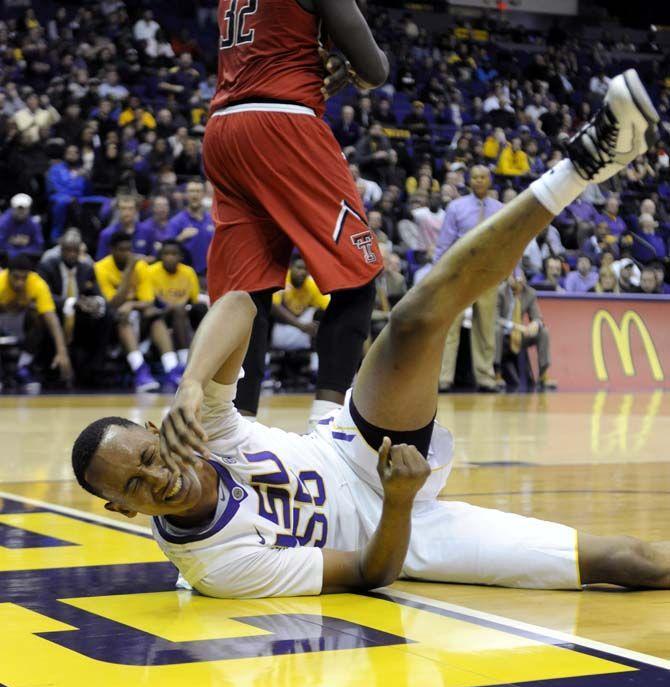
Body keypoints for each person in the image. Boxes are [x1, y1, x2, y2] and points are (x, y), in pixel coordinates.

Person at [72, 72, 670, 598]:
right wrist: (402, 501)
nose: (157, 478)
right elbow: (368, 571)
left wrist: (191, 383)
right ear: (122, 509)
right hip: (398, 533)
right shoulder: (215, 564)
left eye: (148, 458)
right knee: (628, 561)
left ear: (157, 434)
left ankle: (582, 163)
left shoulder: (199, 433)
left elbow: (239, 306)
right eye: (135, 487)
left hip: (352, 450)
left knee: (414, 319)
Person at [203, 0, 389, 431]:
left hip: (225, 129)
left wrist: (331, 64)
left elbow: (281, 43)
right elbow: (375, 70)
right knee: (359, 275)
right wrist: (363, 64)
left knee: (246, 292)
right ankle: (328, 429)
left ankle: (231, 427)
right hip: (283, 124)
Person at [434, 165, 503, 392]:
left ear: (489, 180)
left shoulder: (501, 209)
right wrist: (437, 272)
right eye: (475, 177)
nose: (479, 181)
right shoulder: (456, 207)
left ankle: (485, 377)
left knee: (485, 326)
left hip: (488, 273)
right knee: (450, 326)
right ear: (469, 181)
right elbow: (444, 243)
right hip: (460, 272)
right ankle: (444, 377)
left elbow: (509, 243)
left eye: (483, 177)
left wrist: (517, 273)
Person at [94, 232, 180, 392]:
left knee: (154, 317)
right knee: (123, 315)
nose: (126, 253)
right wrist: (128, 271)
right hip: (111, 326)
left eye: (129, 249)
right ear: (112, 250)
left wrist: (131, 304)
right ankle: (140, 371)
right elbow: (114, 304)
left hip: (137, 316)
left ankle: (172, 369)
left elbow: (148, 301)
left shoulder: (141, 266)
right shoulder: (100, 268)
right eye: (121, 250)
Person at [37, 234, 111, 385]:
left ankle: (97, 369)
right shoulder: (47, 267)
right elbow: (45, 296)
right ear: (61, 251)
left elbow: (98, 295)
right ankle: (47, 369)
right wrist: (72, 302)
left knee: (107, 316)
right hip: (57, 314)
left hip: (80, 318)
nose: (71, 254)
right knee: (47, 317)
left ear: (80, 251)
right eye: (67, 250)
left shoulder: (87, 268)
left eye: (75, 250)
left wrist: (95, 303)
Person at [0, 255, 72, 393]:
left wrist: (62, 352)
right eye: (16, 277)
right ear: (8, 273)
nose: (20, 283)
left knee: (39, 316)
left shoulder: (38, 283)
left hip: (22, 323)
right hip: (2, 321)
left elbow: (51, 318)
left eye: (24, 278)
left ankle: (23, 366)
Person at [147, 240, 206, 368]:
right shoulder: (150, 271)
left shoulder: (188, 272)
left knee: (201, 308)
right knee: (178, 311)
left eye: (174, 254)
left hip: (183, 311)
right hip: (161, 313)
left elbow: (194, 299)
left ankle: (207, 352)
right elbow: (151, 300)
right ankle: (184, 360)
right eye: (166, 253)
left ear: (181, 256)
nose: (170, 257)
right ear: (161, 255)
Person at [496, 269, 555, 391]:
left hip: (520, 334)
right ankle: (496, 373)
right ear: (509, 279)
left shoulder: (529, 293)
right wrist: (515, 326)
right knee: (496, 330)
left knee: (543, 332)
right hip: (504, 333)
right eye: (516, 280)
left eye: (521, 280)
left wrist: (535, 323)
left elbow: (538, 317)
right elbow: (495, 318)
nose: (519, 283)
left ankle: (543, 374)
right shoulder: (500, 291)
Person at [165, 180, 214, 278]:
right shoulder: (176, 221)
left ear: (203, 194)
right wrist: (180, 238)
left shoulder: (212, 219)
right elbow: (166, 249)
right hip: (184, 275)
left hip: (210, 275)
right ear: (186, 194)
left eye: (198, 191)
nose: (194, 195)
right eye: (191, 191)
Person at [0, 193, 45, 262]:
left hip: (28, 259)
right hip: (5, 259)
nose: (21, 212)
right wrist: (14, 253)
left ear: (29, 209)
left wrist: (23, 253)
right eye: (18, 209)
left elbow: (38, 244)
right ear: (12, 208)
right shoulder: (3, 222)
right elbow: (1, 243)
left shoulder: (33, 223)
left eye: (24, 209)